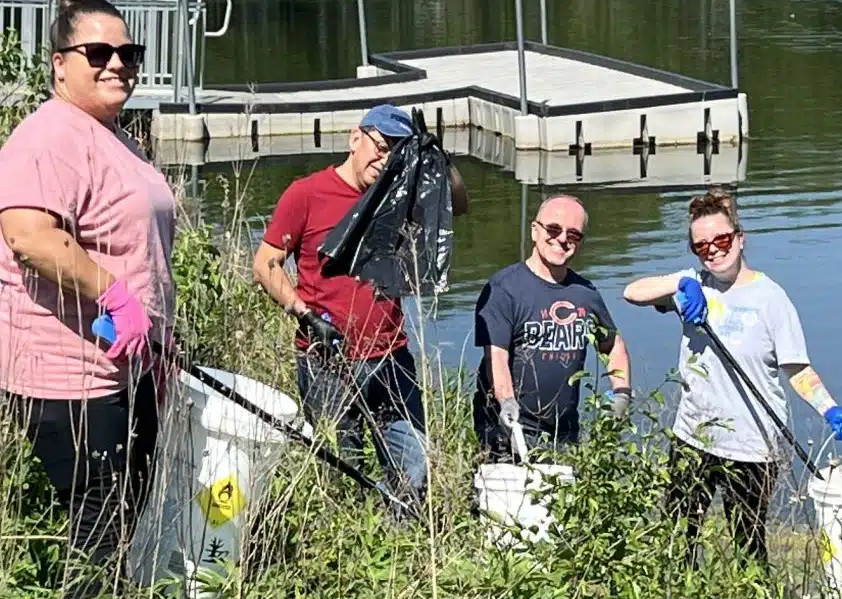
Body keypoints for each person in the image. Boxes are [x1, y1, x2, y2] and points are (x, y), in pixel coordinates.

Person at [0, 0, 177, 557]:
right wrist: (115, 297)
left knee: (123, 507)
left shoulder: (112, 136)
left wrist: (160, 337)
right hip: (66, 377)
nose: (117, 64)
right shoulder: (47, 138)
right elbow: (31, 237)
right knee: (101, 518)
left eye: (128, 54)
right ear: (61, 65)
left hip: (127, 363)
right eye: (98, 54)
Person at [622, 188, 842, 560]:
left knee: (749, 546)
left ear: (739, 238)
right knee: (676, 540)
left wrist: (830, 410)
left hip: (754, 447)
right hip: (694, 437)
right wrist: (680, 285)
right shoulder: (692, 283)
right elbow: (632, 292)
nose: (714, 250)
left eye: (721, 239)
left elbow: (797, 369)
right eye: (702, 245)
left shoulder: (771, 299)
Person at [252, 104, 465, 503]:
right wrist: (304, 314)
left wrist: (436, 159)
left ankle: (405, 551)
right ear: (356, 138)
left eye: (397, 152)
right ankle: (347, 552)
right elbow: (265, 264)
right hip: (327, 358)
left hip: (392, 357)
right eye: (381, 147)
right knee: (344, 474)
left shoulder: (400, 195)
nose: (385, 160)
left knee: (414, 469)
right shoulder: (306, 194)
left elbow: (459, 203)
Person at [471, 194, 630, 460]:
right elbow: (496, 356)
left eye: (573, 234)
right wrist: (507, 402)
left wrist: (621, 395)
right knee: (506, 499)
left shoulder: (585, 293)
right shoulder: (504, 288)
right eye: (553, 229)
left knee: (563, 499)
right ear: (535, 231)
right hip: (509, 427)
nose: (562, 239)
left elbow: (612, 344)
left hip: (564, 433)